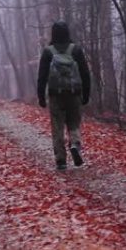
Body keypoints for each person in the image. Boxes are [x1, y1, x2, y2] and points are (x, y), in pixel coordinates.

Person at [37, 21, 91, 170]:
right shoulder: (76, 50)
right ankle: (74, 144)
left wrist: (41, 96)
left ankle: (61, 160)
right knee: (74, 123)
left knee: (57, 127)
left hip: (56, 95)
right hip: (74, 94)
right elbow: (85, 74)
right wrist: (86, 94)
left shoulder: (48, 52)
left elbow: (42, 77)